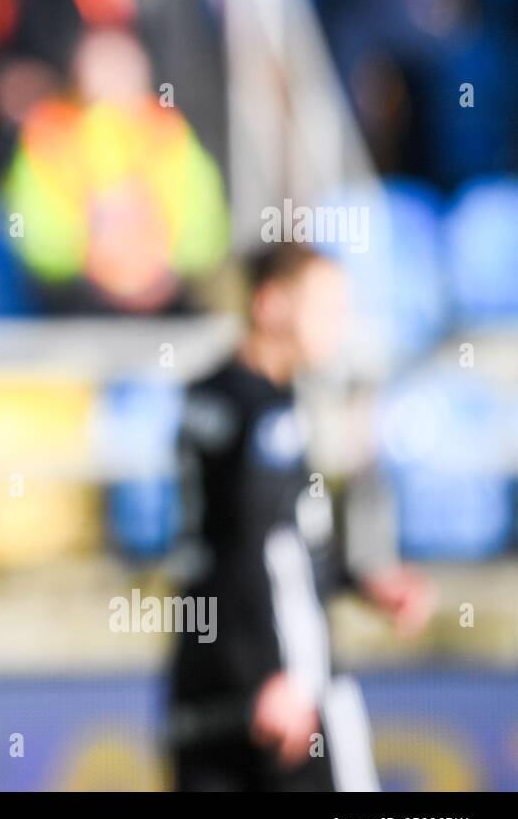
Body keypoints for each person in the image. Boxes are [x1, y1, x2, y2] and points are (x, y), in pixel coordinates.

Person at [168, 242, 435, 791]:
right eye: (325, 308)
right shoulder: (268, 416)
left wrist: (363, 581)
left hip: (204, 684)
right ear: (271, 306)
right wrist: (273, 673)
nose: (339, 325)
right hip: (288, 691)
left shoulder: (209, 395)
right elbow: (256, 547)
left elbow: (266, 542)